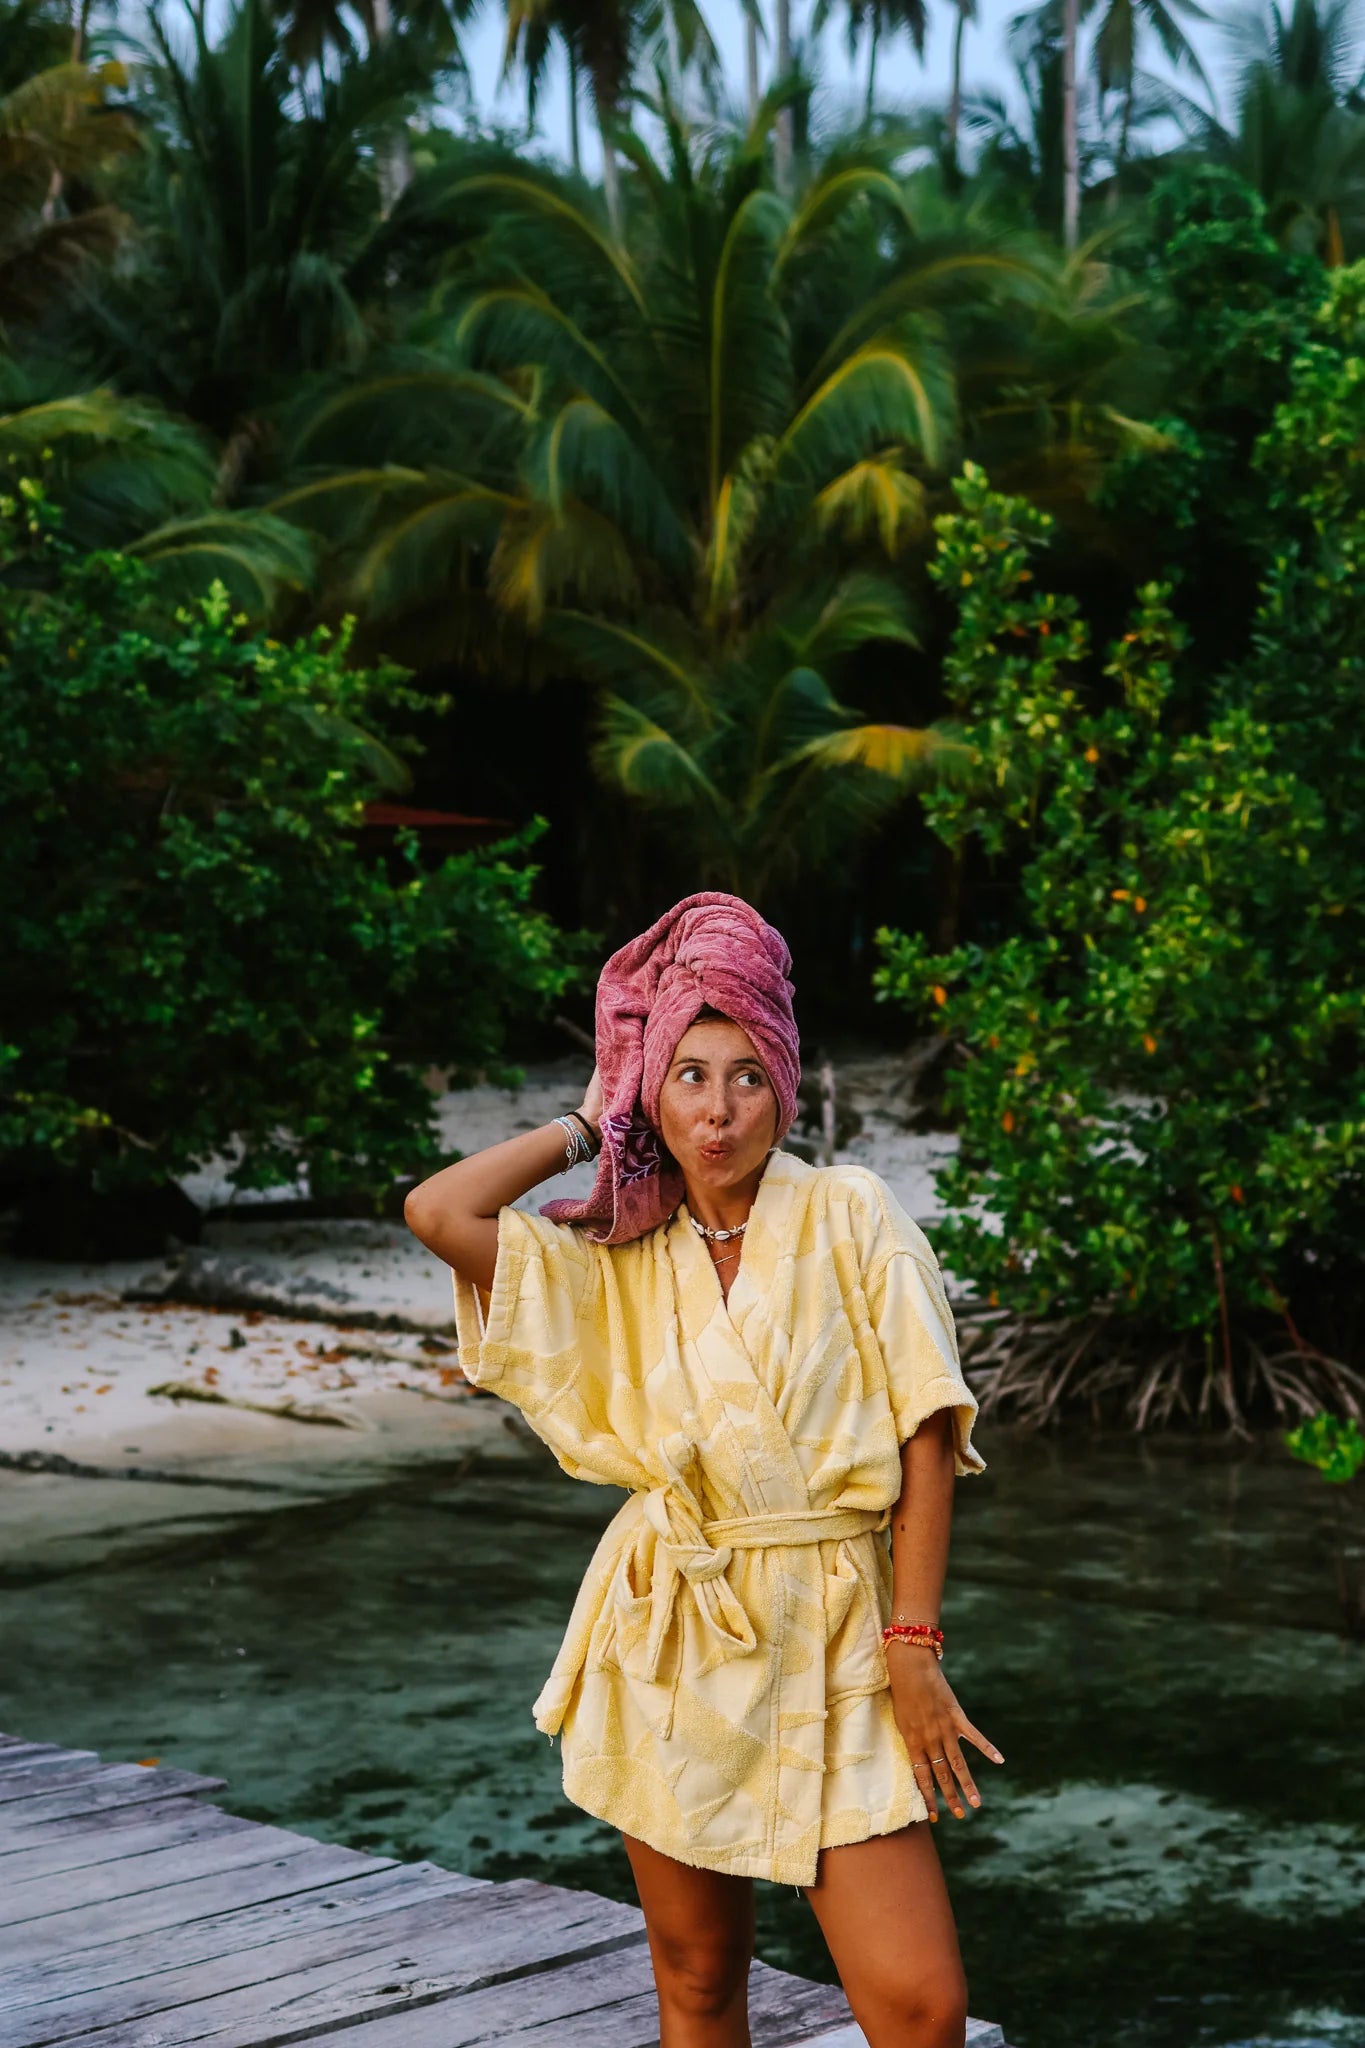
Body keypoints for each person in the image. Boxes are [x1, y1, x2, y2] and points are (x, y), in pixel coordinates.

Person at [405, 891, 1004, 2048]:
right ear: (652, 1092)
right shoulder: (622, 1258)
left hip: (840, 1626)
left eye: (744, 1072)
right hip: (673, 1631)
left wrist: (915, 1640)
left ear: (782, 1080)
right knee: (694, 1977)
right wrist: (589, 1122)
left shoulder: (850, 1212)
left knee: (925, 2010)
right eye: (686, 1072)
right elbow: (439, 1208)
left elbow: (930, 1427)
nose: (718, 1108)